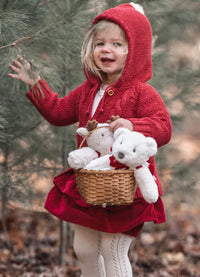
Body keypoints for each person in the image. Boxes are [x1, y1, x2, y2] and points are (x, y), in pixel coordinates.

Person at [9, 3, 172, 277]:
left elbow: (164, 127)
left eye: (117, 44)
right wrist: (36, 85)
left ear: (135, 52)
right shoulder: (89, 89)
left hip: (125, 187)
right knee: (84, 248)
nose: (105, 49)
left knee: (113, 249)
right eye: (99, 43)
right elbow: (59, 112)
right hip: (90, 183)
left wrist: (133, 124)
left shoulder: (141, 93)